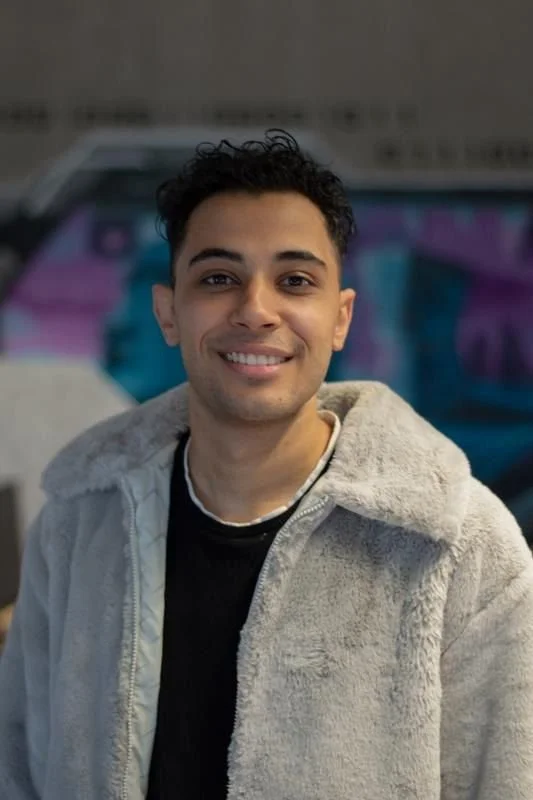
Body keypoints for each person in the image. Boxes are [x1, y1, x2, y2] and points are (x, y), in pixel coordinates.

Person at [1, 131, 533, 800]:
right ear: (169, 310)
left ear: (339, 317)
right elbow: (17, 770)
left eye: (295, 280)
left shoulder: (458, 545)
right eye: (218, 278)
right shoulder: (79, 525)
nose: (255, 310)